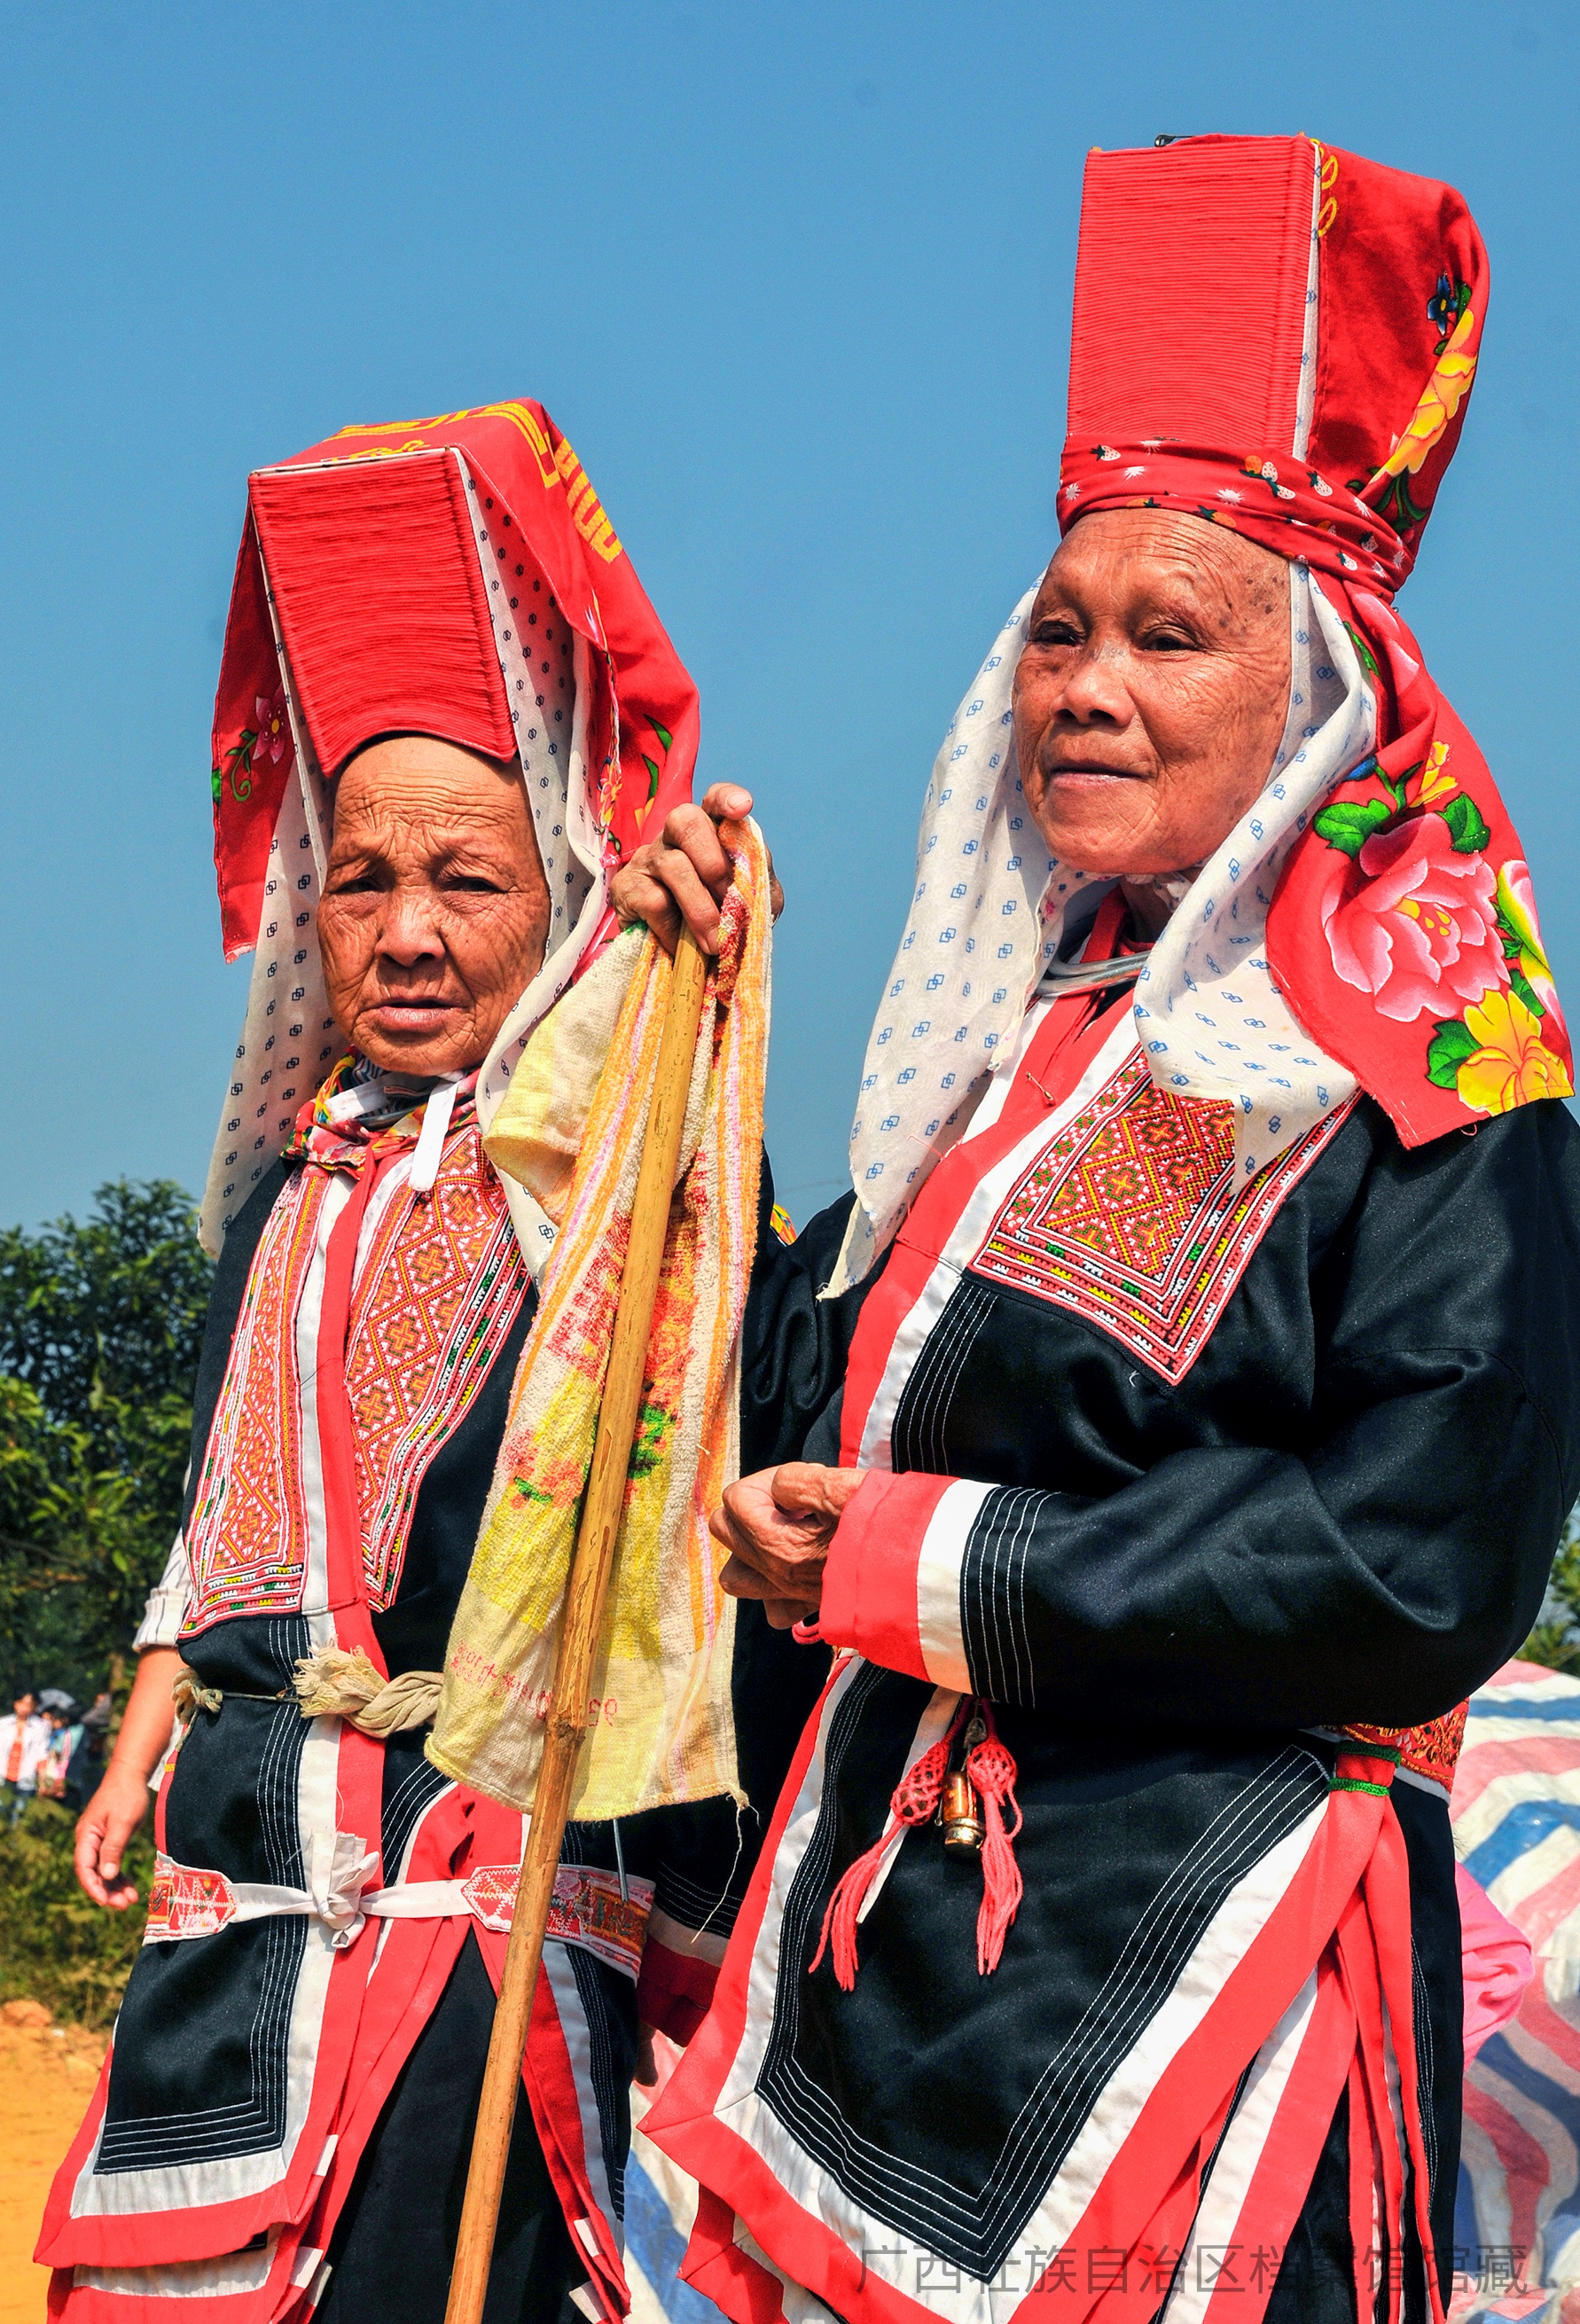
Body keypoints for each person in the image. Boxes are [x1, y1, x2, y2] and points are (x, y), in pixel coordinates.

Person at [628, 138, 1580, 2323]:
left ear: (1317, 693)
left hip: (1204, 1964)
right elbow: (794, 1383)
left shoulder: (1436, 1077)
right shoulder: (1015, 1057)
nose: (1083, 682)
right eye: (1057, 628)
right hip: (892, 1943)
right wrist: (681, 1037)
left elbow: (1417, 1552)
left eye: (1169, 634)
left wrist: (928, 1562)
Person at [38, 403, 838, 2324]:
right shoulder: (287, 1189)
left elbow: (702, 1325)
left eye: (467, 881)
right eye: (360, 877)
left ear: (562, 891)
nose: (404, 934)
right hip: (238, 1904)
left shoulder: (600, 1167)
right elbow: (240, 1493)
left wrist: (666, 968)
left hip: (477, 1913)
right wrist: (155, 1691)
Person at [0, 1689, 47, 1817]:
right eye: (21, 1703)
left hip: (25, 1778)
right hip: (1, 1776)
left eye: (28, 1704)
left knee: (18, 1815)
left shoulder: (40, 1727)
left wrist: (43, 1782)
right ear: (15, 1703)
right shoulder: (3, 1723)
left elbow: (41, 1755)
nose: (24, 1708)